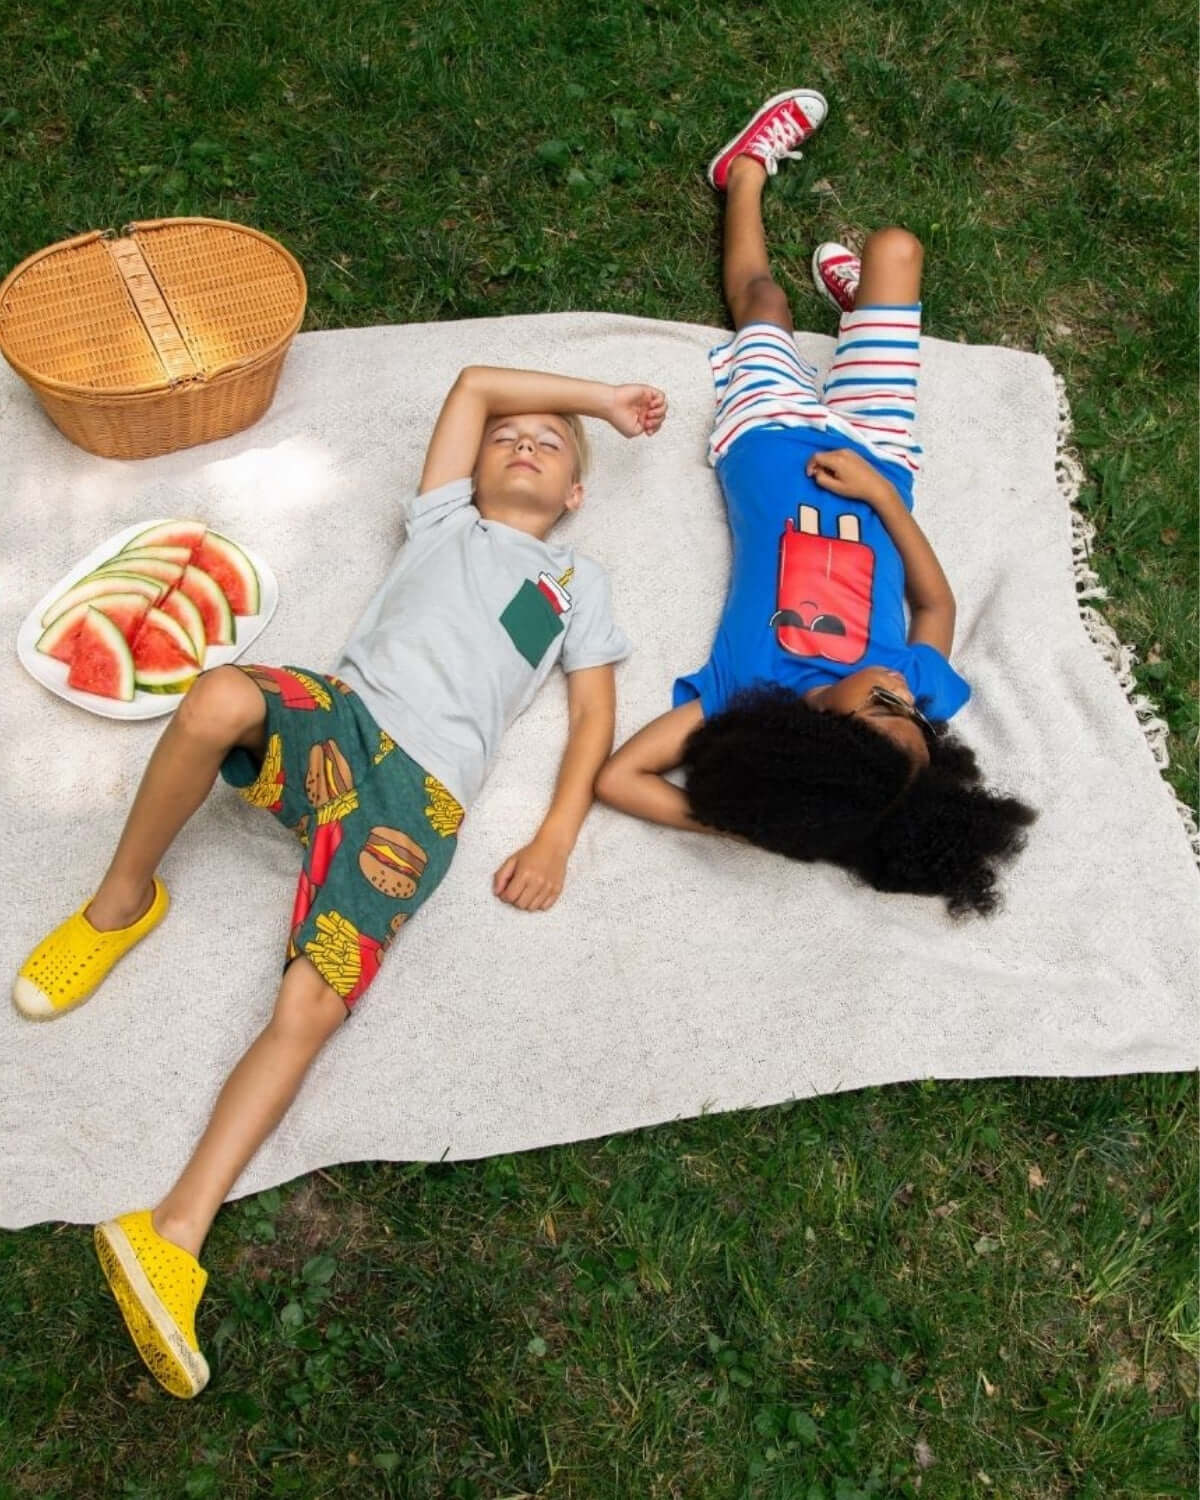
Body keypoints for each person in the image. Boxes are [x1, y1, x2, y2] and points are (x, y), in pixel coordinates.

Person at [13, 365, 667, 1397]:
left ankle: (173, 1235)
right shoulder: (446, 519)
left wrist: (555, 838)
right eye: (514, 438)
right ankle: (120, 903)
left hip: (424, 801)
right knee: (217, 699)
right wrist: (594, 401)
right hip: (344, 721)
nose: (526, 444)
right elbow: (469, 386)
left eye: (551, 444)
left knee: (313, 1004)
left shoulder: (579, 590)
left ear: (577, 497)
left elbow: (593, 721)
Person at [597, 89, 1034, 915]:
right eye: (909, 713)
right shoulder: (913, 685)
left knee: (763, 303)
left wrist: (761, 827)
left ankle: (745, 175)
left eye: (876, 706)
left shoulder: (741, 690)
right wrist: (880, 495)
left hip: (764, 436)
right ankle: (865, 304)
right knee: (898, 249)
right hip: (878, 454)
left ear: (815, 729)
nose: (894, 691)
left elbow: (620, 777)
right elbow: (934, 599)